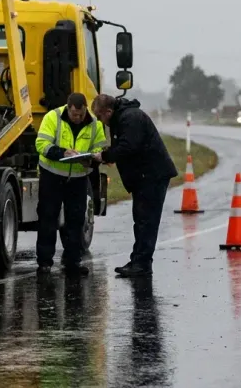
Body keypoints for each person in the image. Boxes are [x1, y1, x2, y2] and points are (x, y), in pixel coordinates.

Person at [90, 94, 178, 277]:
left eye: (99, 116)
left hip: (152, 175)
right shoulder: (122, 118)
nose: (100, 120)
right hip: (143, 176)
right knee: (141, 220)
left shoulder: (130, 118)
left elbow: (128, 146)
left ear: (108, 111)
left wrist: (105, 156)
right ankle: (139, 260)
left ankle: (142, 263)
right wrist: (109, 154)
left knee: (146, 220)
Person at [34, 92, 107, 276]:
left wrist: (91, 159)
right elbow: (41, 144)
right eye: (75, 114)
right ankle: (44, 263)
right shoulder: (53, 117)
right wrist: (62, 152)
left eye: (81, 115)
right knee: (47, 218)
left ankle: (73, 262)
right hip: (52, 175)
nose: (78, 118)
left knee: (76, 221)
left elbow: (100, 148)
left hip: (78, 178)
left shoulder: (94, 123)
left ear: (85, 110)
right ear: (68, 108)